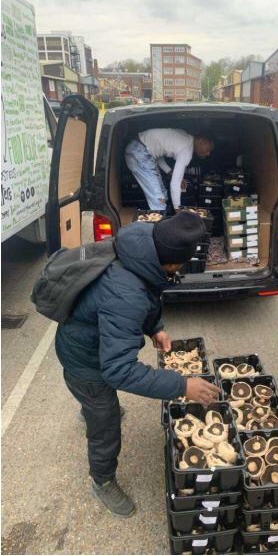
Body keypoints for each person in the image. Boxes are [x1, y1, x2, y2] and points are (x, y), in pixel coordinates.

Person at [55, 211, 220, 518]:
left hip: (89, 337)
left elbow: (148, 291)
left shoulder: (144, 243)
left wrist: (155, 327)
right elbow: (117, 370)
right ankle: (102, 480)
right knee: (105, 423)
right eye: (181, 266)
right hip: (84, 358)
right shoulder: (126, 293)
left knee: (98, 401)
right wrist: (182, 385)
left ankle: (90, 405)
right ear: (173, 264)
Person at [125, 128, 214, 212]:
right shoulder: (187, 150)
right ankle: (159, 221)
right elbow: (175, 183)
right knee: (159, 200)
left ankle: (163, 217)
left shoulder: (185, 137)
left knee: (163, 195)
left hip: (140, 150)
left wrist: (170, 172)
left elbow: (158, 154)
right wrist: (177, 209)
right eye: (208, 149)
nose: (208, 154)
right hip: (139, 152)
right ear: (201, 141)